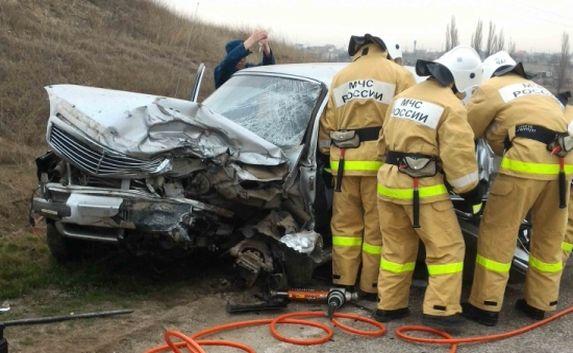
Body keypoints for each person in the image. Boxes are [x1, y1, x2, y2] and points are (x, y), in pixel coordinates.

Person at [374, 45, 483, 330]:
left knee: (396, 249)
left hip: (388, 183)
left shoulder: (404, 96)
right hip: (420, 188)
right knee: (447, 248)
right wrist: (472, 191)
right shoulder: (451, 105)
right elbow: (459, 159)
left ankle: (390, 305)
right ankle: (440, 310)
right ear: (464, 78)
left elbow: (381, 144)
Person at [463, 51, 573, 326]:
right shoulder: (541, 91)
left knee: (499, 231)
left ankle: (485, 306)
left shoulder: (491, 88)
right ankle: (540, 303)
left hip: (526, 160)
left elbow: (465, 129)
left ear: (490, 73)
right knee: (549, 233)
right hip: (563, 161)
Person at [319, 34, 415, 300]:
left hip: (343, 166)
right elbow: (406, 119)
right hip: (378, 163)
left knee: (344, 227)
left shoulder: (340, 76)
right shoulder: (398, 74)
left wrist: (328, 153)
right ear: (383, 49)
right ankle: (370, 286)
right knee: (376, 227)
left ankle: (343, 281)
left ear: (358, 50)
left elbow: (327, 123)